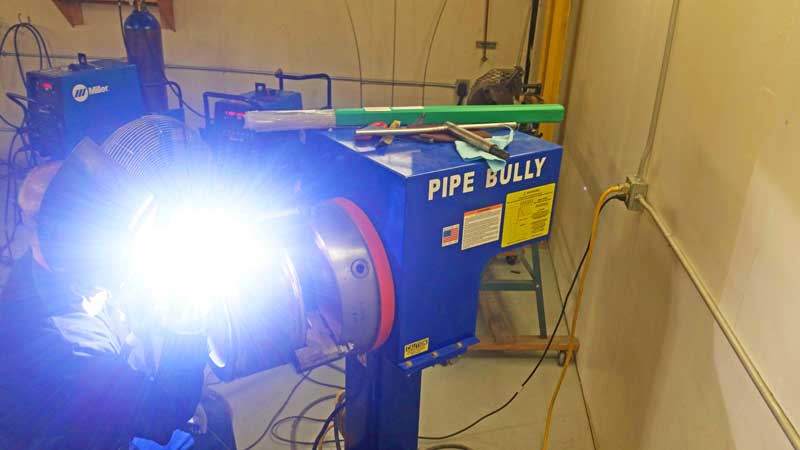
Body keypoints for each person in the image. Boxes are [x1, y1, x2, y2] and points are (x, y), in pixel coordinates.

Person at [0, 160, 208, 450]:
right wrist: (187, 329)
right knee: (206, 428)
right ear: (65, 235)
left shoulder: (42, 268)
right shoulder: (72, 342)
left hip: (88, 410)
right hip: (79, 439)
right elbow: (163, 415)